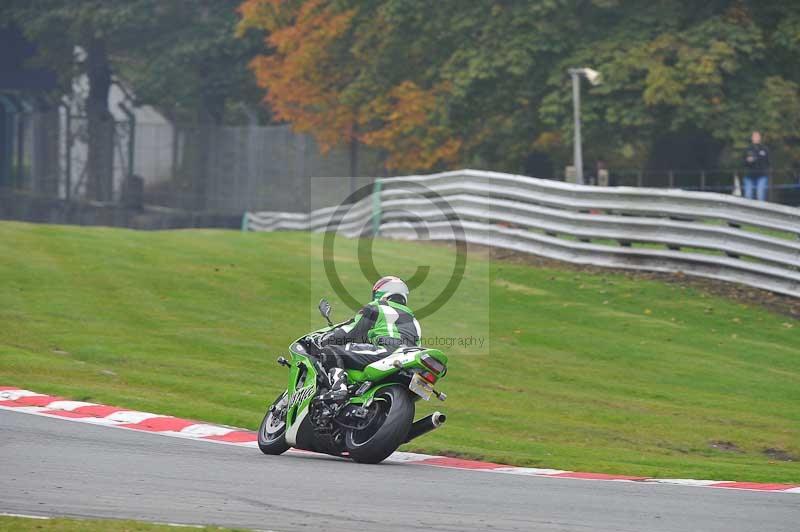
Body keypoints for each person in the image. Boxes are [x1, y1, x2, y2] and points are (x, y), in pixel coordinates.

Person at [314, 276, 421, 397]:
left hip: (388, 351)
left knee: (330, 351)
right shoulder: (414, 320)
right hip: (407, 360)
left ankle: (339, 389)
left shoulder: (377, 306)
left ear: (382, 292)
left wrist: (325, 339)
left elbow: (351, 331)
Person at [743, 131, 770, 201]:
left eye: (757, 136)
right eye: (754, 136)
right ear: (751, 138)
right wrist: (748, 161)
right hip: (749, 175)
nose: (756, 138)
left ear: (760, 138)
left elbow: (768, 162)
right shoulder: (747, 149)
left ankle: (761, 211)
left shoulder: (765, 149)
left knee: (760, 195)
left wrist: (756, 159)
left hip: (761, 175)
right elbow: (743, 162)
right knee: (748, 195)